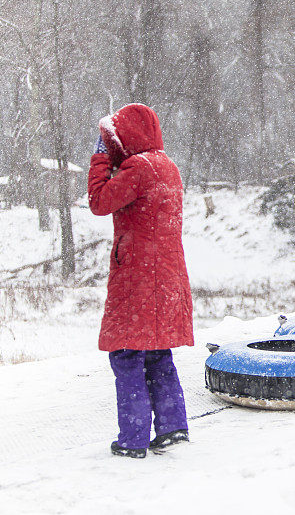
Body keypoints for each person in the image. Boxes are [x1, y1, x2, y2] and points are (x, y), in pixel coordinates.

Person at [88, 103, 194, 458]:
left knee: (127, 353)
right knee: (157, 352)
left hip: (138, 278)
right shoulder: (168, 166)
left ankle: (133, 440)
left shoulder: (138, 168)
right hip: (166, 276)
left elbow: (100, 201)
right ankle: (172, 426)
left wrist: (100, 158)